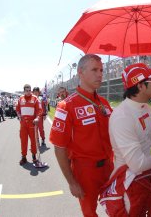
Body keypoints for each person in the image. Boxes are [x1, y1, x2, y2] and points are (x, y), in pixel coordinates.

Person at [99, 63, 151, 216]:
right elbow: (137, 164)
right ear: (140, 86)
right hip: (129, 185)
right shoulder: (122, 117)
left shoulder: (144, 107)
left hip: (146, 178)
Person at [49, 54, 113, 217]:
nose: (100, 74)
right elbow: (59, 148)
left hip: (110, 167)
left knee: (118, 209)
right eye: (94, 70)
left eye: (101, 70)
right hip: (85, 173)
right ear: (80, 72)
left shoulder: (104, 104)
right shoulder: (66, 106)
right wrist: (72, 182)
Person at [16, 84, 42, 166]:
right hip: (23, 123)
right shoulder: (20, 98)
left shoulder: (35, 98)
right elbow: (17, 109)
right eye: (26, 90)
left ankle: (34, 157)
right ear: (24, 91)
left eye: (29, 90)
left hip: (32, 123)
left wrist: (37, 117)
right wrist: (19, 116)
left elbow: (39, 110)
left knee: (33, 141)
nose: (28, 92)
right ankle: (24, 157)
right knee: (23, 141)